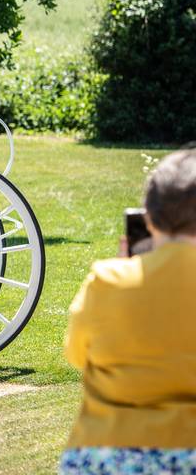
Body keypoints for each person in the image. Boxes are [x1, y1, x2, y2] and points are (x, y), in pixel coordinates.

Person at [60, 149, 196, 474]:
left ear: (148, 217)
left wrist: (124, 271)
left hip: (105, 451)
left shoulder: (107, 279)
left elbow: (77, 355)